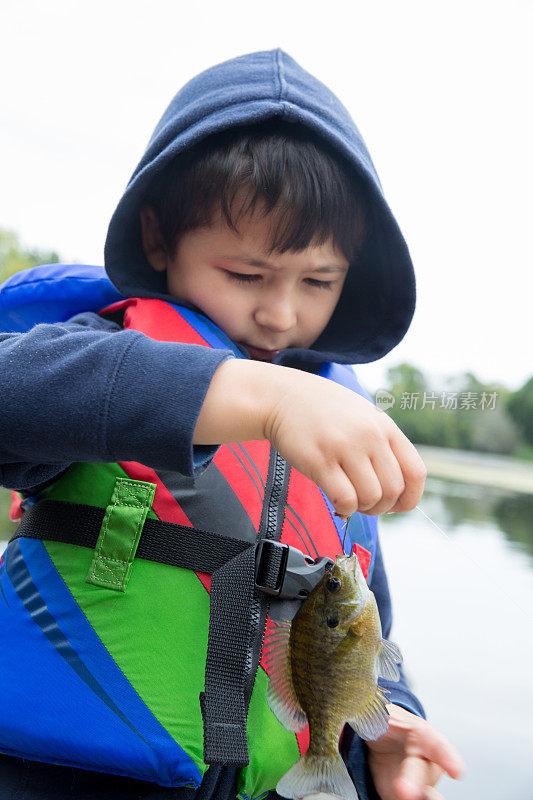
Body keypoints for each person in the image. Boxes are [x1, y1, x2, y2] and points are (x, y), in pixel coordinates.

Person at [0, 49, 464, 800]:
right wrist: (256, 397)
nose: (280, 313)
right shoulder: (95, 360)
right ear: (159, 240)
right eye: (245, 275)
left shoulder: (337, 417)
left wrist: (393, 721)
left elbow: (363, 615)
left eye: (317, 282)